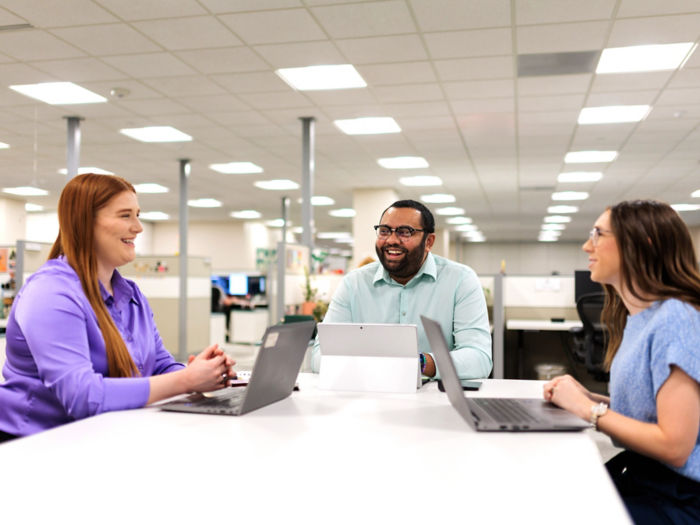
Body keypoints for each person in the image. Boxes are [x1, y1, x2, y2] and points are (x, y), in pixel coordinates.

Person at [0, 173, 235, 443]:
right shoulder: (50, 293)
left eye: (137, 214)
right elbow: (82, 397)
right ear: (85, 223)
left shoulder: (131, 294)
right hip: (34, 444)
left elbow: (158, 365)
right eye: (125, 216)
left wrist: (204, 373)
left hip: (104, 434)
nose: (138, 227)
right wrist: (186, 381)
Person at [543, 200, 700, 523]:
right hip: (647, 476)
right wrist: (589, 398)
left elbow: (675, 445)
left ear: (643, 244)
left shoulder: (675, 318)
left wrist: (589, 411)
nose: (588, 245)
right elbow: (653, 409)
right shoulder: (641, 317)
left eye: (599, 234)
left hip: (680, 497)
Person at [311, 199, 491, 379]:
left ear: (429, 241)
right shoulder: (353, 284)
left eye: (405, 232)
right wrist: (376, 365)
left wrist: (419, 363)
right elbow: (320, 356)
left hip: (435, 399)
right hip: (367, 396)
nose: (391, 240)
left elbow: (478, 358)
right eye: (384, 231)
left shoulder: (460, 280)